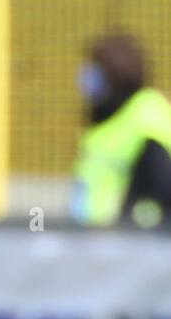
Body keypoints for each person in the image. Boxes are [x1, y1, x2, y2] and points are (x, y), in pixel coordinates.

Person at [71, 35, 171, 229]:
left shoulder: (146, 115)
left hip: (128, 243)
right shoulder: (107, 115)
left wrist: (131, 224)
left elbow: (163, 187)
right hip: (98, 238)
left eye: (94, 68)